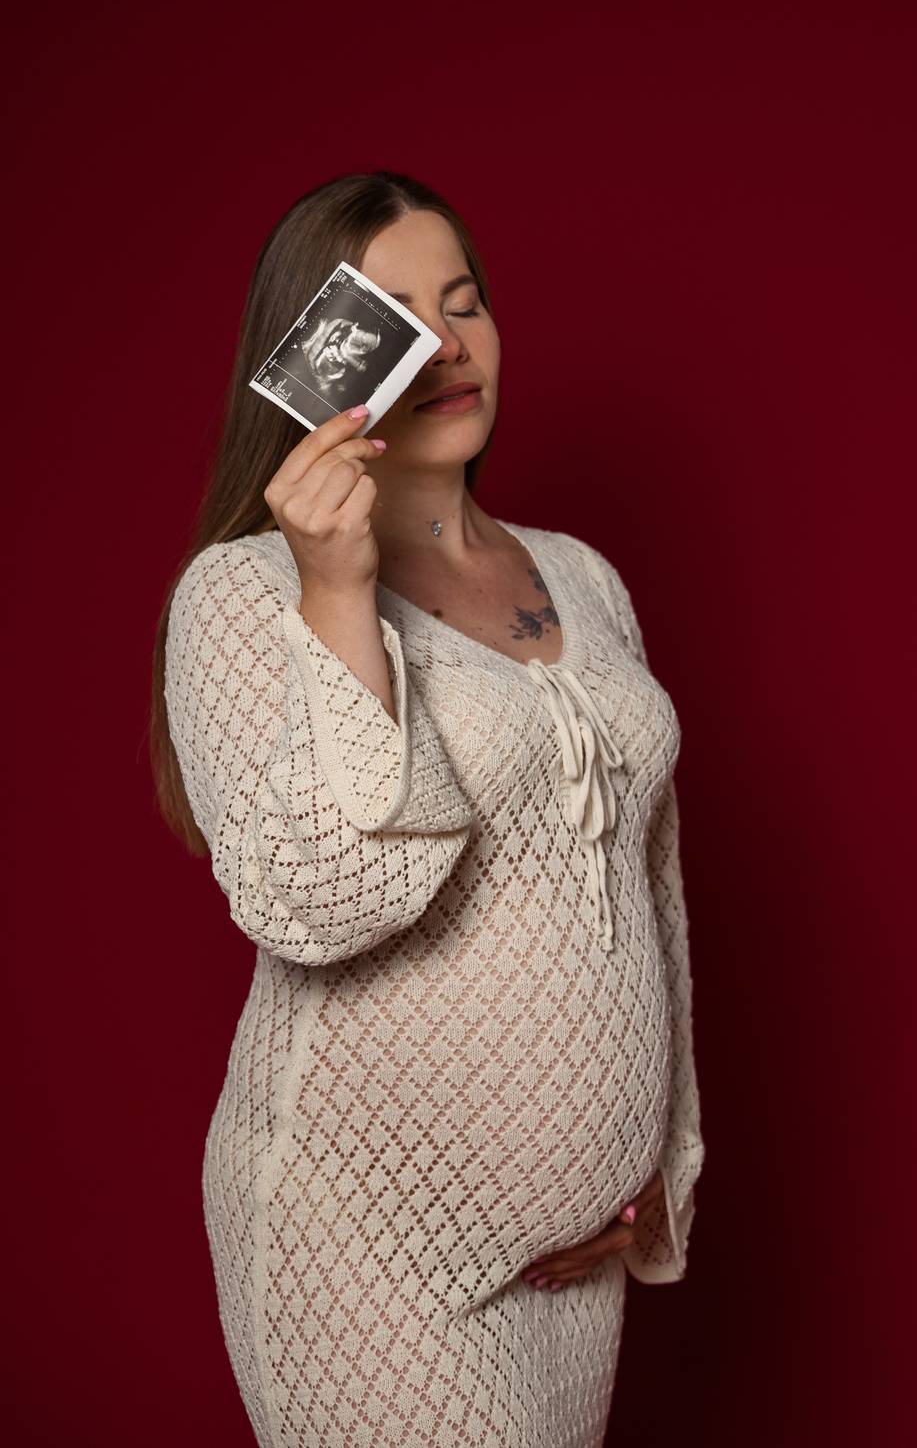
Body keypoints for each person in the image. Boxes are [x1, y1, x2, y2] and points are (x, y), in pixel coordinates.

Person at [149, 170, 706, 1447]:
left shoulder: (581, 577)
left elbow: (650, 885)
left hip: (575, 1266)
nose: (450, 347)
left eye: (466, 303)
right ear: (318, 358)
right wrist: (338, 592)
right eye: (398, 316)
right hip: (362, 1249)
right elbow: (323, 905)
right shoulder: (241, 596)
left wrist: (651, 1172)